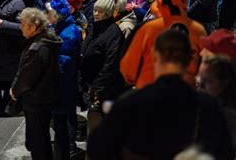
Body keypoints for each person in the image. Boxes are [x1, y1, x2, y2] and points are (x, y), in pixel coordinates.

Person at [88, 29, 234, 160]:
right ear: (189, 60)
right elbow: (224, 152)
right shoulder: (208, 105)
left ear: (154, 55)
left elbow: (98, 148)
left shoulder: (132, 101)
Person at [121, 0, 206, 89]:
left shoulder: (149, 28)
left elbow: (128, 70)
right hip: (183, 92)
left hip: (149, 88)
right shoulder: (198, 30)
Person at [10, 7, 61, 160]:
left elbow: (27, 77)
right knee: (41, 138)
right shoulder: (47, 39)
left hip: (36, 100)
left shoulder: (37, 48)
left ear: (33, 27)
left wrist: (15, 91)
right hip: (45, 97)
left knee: (38, 142)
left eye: (23, 25)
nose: (20, 28)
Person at [80, 0, 125, 133]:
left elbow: (111, 64)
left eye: (100, 11)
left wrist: (97, 87)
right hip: (90, 83)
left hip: (104, 89)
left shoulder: (113, 33)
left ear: (108, 13)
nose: (96, 14)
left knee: (99, 125)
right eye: (95, 10)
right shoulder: (94, 28)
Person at [46, 0, 82, 159]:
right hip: (61, 83)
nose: (46, 16)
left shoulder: (69, 34)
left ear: (57, 14)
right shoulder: (61, 27)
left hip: (63, 84)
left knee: (64, 119)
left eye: (49, 13)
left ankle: (68, 148)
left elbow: (63, 64)